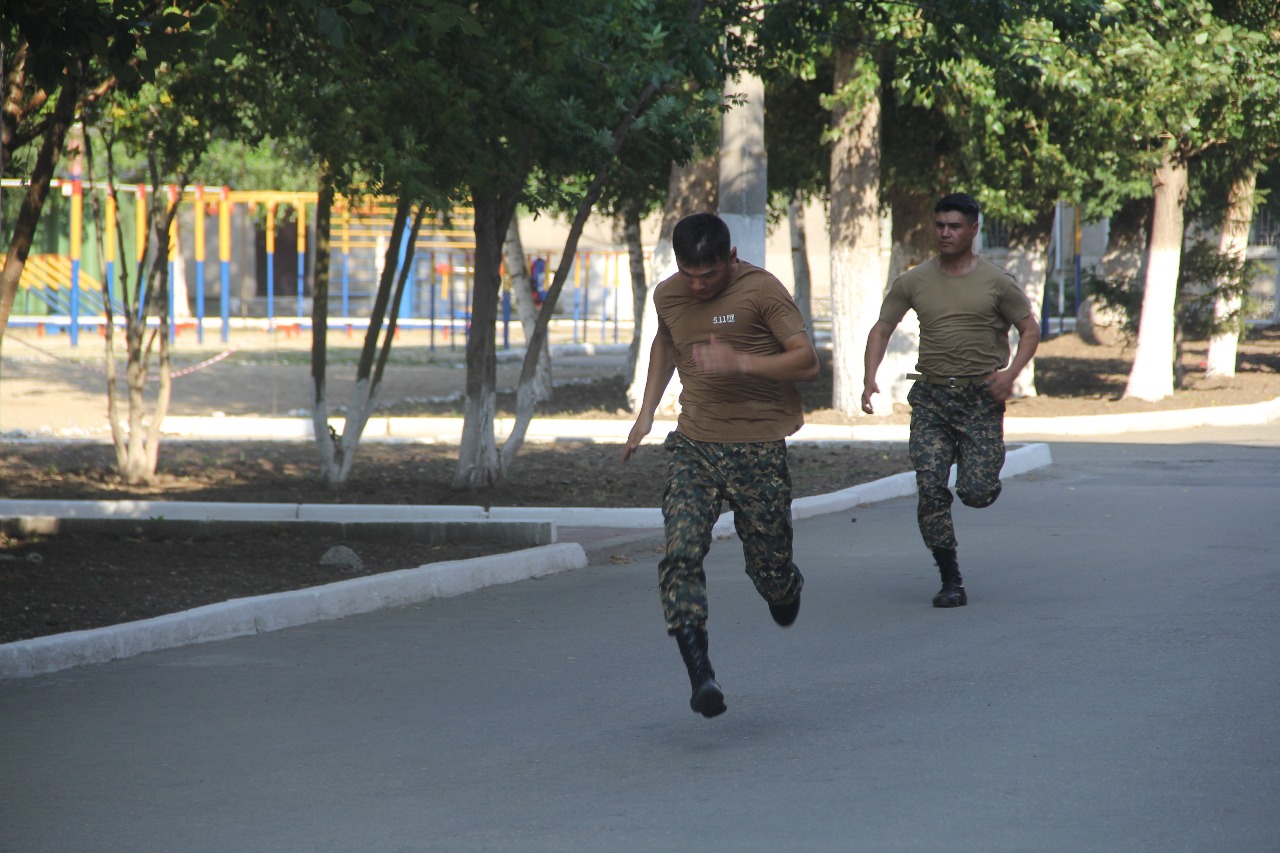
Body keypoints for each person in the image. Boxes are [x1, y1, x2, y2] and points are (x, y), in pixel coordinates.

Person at [623, 212, 819, 719]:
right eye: (688, 274)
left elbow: (806, 361)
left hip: (758, 446)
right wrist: (646, 414)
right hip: (696, 444)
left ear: (730, 258)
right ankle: (701, 675)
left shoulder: (762, 290)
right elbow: (666, 342)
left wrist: (742, 362)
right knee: (681, 551)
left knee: (771, 572)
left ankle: (783, 587)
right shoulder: (668, 295)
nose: (698, 285)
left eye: (708, 275)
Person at [862, 192, 1040, 608]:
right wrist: (869, 378)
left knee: (976, 492)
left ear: (973, 230)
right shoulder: (914, 281)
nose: (945, 233)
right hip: (932, 398)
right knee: (930, 487)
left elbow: (1029, 329)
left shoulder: (997, 282)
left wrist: (1010, 374)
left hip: (981, 396)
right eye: (940, 225)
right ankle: (950, 579)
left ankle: (981, 469)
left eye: (954, 226)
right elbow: (882, 328)